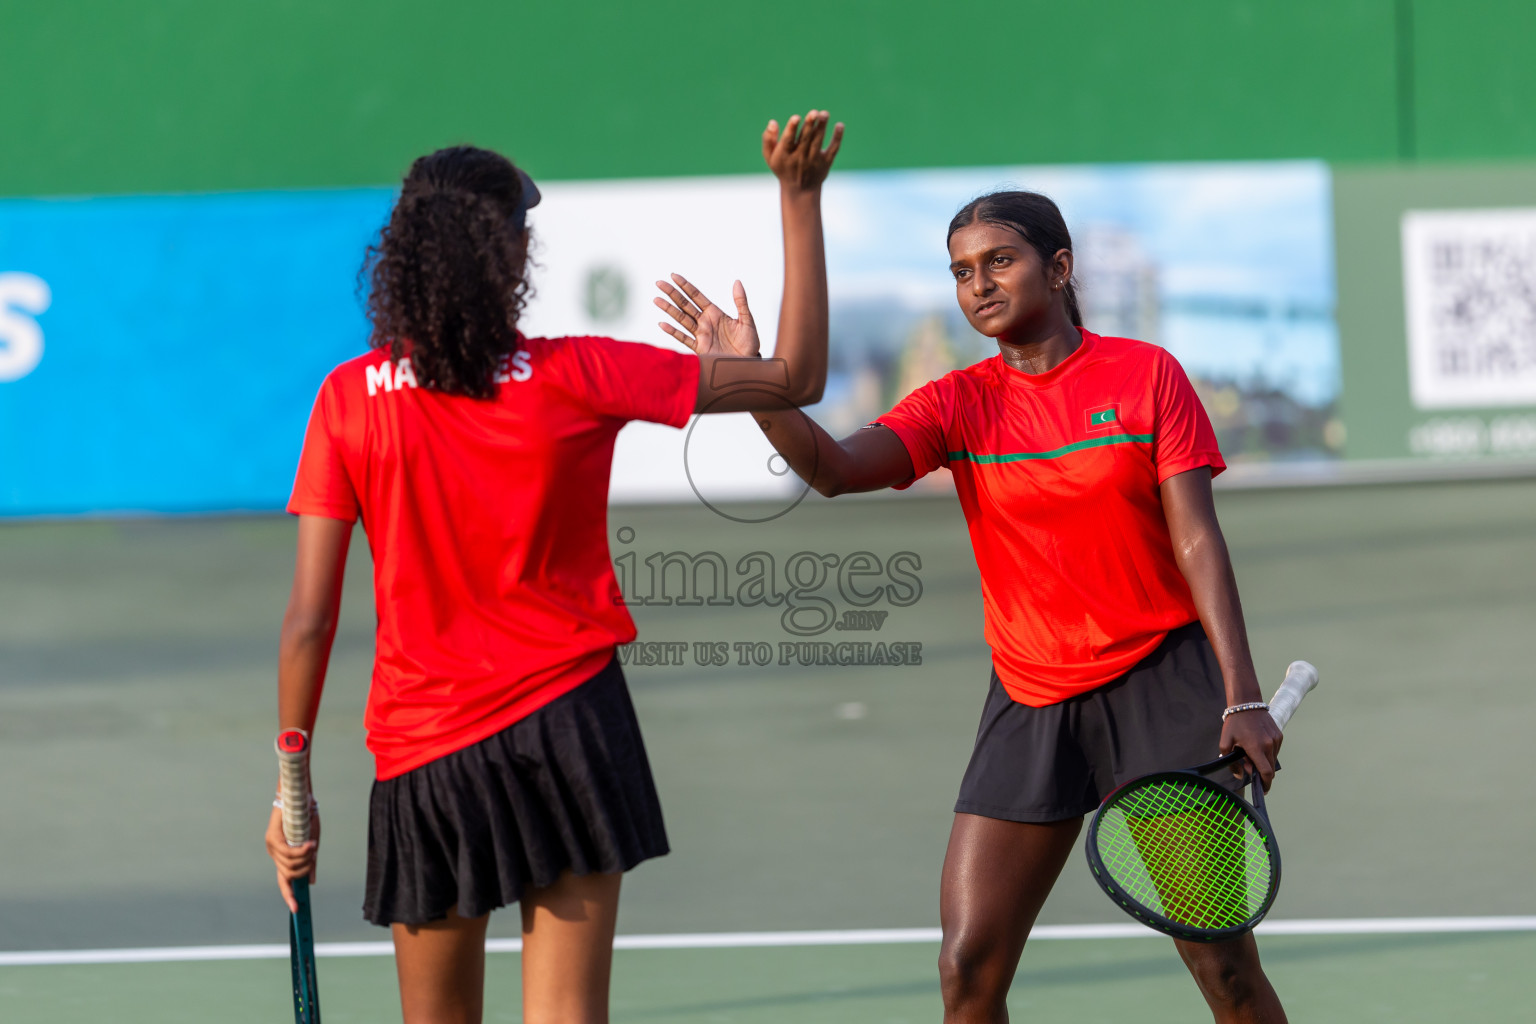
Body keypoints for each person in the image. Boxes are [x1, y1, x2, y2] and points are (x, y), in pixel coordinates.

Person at [265, 111, 843, 1024]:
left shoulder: (346, 402)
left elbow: (308, 620)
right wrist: (799, 197)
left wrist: (293, 789)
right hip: (569, 727)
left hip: (424, 754)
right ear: (508, 255)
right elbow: (801, 375)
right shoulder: (579, 374)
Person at [660, 190, 1288, 1024]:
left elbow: (1198, 542)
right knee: (967, 969)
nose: (980, 284)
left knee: (1225, 970)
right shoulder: (958, 402)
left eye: (1001, 261)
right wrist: (751, 382)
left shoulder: (1145, 376)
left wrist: (1241, 695)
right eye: (961, 271)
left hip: (1160, 686)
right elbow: (837, 468)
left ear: (1059, 269)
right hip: (1030, 697)